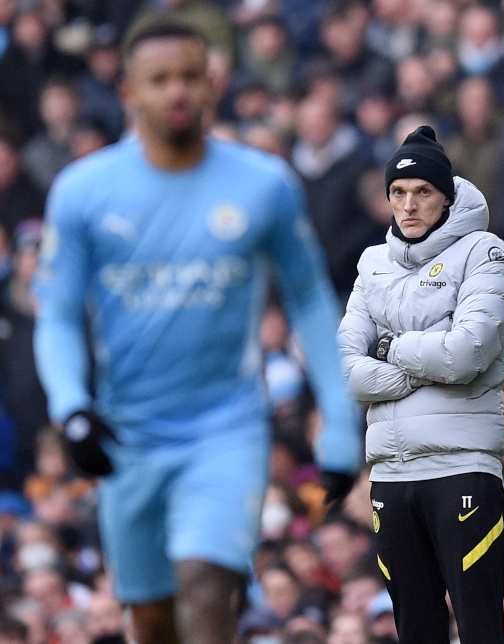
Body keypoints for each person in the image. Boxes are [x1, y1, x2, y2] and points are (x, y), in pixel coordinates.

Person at [32, 22, 361, 644]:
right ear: (129, 92)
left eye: (190, 76)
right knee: (152, 621)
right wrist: (72, 408)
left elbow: (312, 302)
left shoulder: (263, 185)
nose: (177, 91)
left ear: (213, 85)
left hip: (226, 428)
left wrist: (340, 427)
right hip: (126, 432)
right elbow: (56, 315)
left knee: (208, 586)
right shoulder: (83, 192)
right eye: (160, 80)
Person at [337, 125, 504, 644]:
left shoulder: (485, 251)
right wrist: (423, 359)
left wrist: (389, 348)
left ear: (447, 196)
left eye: (422, 192)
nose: (409, 204)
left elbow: (466, 353)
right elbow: (345, 368)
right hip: (390, 475)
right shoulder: (372, 263)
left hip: (462, 467)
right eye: (398, 192)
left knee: (480, 628)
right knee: (415, 631)